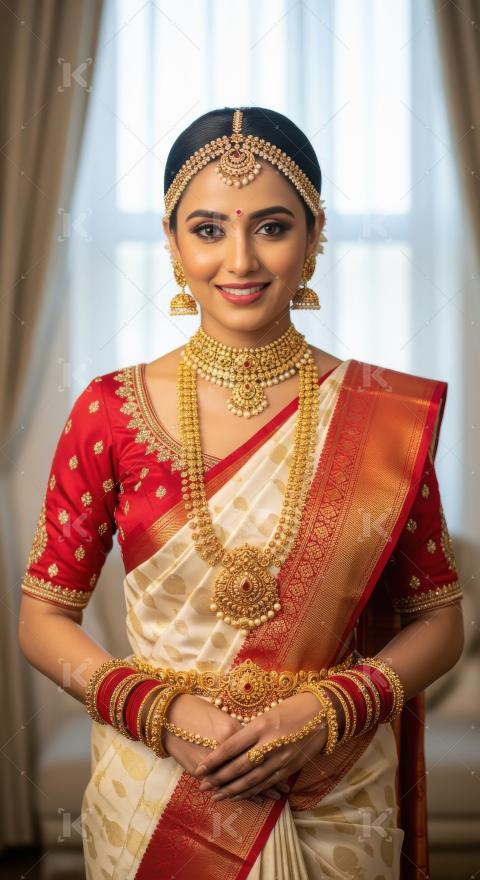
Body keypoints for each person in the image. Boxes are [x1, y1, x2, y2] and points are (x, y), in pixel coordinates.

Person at [18, 106, 464, 880]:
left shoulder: (382, 417)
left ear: (315, 236)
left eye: (273, 227)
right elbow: (43, 618)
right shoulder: (108, 409)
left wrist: (325, 712)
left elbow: (440, 624)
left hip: (334, 788)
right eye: (208, 229)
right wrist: (160, 713)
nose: (240, 259)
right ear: (171, 241)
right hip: (155, 794)